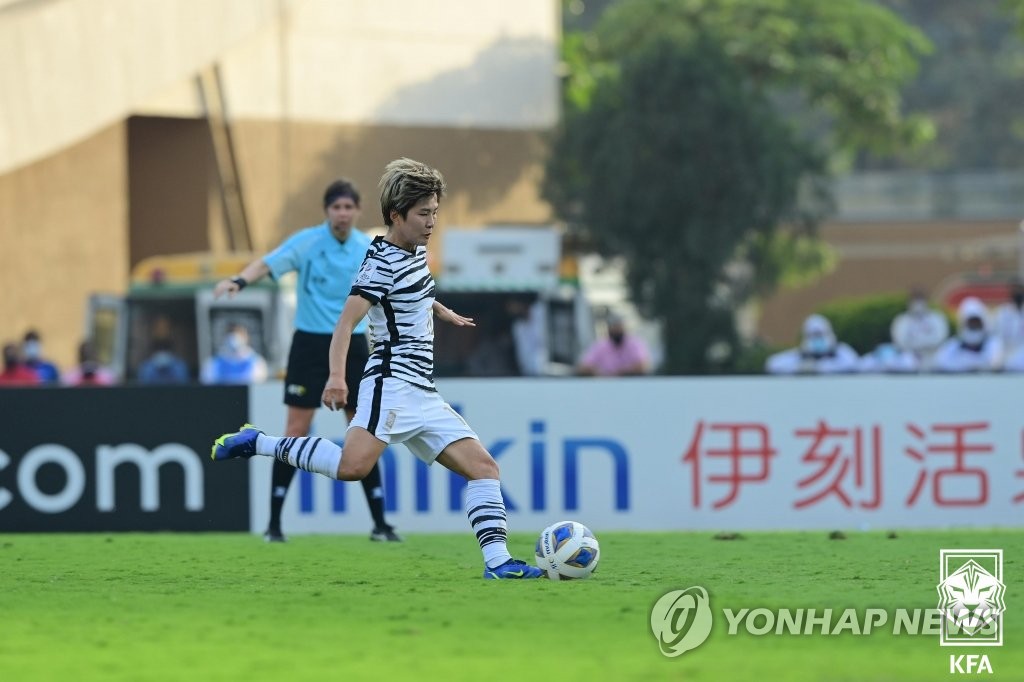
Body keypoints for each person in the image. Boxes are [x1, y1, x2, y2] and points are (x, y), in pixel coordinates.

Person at [212, 157, 544, 579]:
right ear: (396, 215)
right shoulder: (379, 264)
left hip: (423, 391)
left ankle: (498, 564)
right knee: (353, 468)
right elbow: (345, 323)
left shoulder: (415, 251)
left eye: (435, 213)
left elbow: (414, 291)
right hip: (390, 385)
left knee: (484, 469)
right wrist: (336, 378)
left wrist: (441, 311)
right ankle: (257, 441)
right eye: (424, 214)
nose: (431, 223)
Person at [213, 178, 398, 543]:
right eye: (336, 207)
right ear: (327, 211)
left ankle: (380, 524)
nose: (342, 214)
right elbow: (267, 263)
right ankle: (274, 524)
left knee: (361, 433)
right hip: (310, 346)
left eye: (348, 207)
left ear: (358, 211)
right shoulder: (308, 241)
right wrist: (239, 280)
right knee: (296, 429)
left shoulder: (368, 247)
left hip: (353, 346)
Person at [764, 313, 860, 375]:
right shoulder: (801, 355)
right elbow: (773, 364)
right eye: (813, 336)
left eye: (820, 334)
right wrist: (800, 367)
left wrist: (820, 367)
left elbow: (853, 364)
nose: (817, 339)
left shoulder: (840, 351)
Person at [932, 297, 1002, 373]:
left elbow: (993, 363)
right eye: (970, 323)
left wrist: (966, 363)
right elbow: (940, 362)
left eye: (976, 323)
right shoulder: (954, 344)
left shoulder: (993, 342)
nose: (974, 326)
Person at [889, 286, 949, 371]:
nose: (918, 302)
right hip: (909, 361)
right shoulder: (901, 320)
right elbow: (900, 342)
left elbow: (940, 338)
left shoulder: (937, 318)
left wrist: (919, 343)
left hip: (932, 359)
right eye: (915, 298)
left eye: (920, 298)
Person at [576, 313, 651, 376]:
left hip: (632, 386)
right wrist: (600, 373)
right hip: (606, 387)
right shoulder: (600, 346)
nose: (616, 331)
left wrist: (621, 373)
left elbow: (643, 366)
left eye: (618, 327)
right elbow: (583, 367)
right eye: (613, 328)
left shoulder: (635, 344)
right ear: (609, 329)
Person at [200, 323, 268, 385]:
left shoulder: (257, 362)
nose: (234, 339)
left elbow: (259, 385)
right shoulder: (212, 363)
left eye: (239, 334)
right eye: (231, 334)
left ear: (246, 338)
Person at [993, 278, 1024, 357]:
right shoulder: (1002, 312)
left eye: (1019, 289)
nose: (1017, 292)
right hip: (1008, 358)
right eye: (1015, 289)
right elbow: (997, 337)